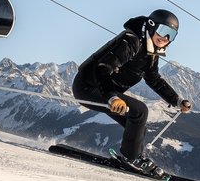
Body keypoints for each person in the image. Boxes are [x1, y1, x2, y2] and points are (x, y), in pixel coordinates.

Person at [72, 9, 192, 171]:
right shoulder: (131, 41)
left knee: (138, 125)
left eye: (172, 34)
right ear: (151, 26)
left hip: (107, 92)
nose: (166, 38)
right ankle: (130, 158)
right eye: (164, 31)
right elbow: (103, 68)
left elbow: (153, 79)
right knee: (140, 111)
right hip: (88, 86)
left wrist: (176, 101)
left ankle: (135, 157)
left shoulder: (151, 51)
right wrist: (111, 97)